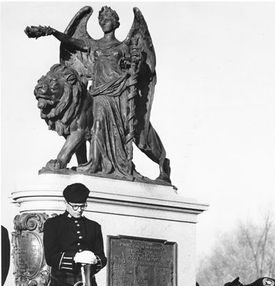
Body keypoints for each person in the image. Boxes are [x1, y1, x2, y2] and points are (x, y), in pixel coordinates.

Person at [25, 6, 171, 183]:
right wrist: (51, 31)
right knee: (97, 123)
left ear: (116, 23)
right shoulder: (94, 45)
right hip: (100, 93)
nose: (104, 23)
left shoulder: (124, 46)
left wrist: (136, 63)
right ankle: (96, 163)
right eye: (101, 20)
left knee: (132, 125)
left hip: (119, 92)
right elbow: (71, 42)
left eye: (107, 19)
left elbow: (138, 69)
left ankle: (161, 162)